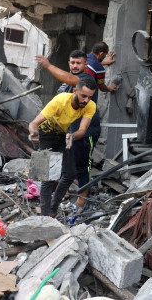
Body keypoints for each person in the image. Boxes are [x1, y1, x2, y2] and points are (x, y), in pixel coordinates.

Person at [35, 44, 117, 211]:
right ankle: (49, 208)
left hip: (84, 129)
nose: (75, 66)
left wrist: (48, 65)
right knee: (57, 168)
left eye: (78, 63)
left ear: (85, 65)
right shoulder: (70, 85)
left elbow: (70, 78)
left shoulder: (84, 80)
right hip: (65, 130)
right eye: (72, 63)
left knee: (82, 163)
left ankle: (81, 200)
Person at [28, 76, 97, 217]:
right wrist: (33, 133)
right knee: (48, 177)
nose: (86, 100)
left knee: (70, 174)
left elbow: (82, 130)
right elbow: (34, 123)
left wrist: (73, 136)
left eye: (90, 97)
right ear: (75, 91)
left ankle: (53, 210)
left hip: (63, 135)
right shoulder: (60, 100)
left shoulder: (90, 106)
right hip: (46, 134)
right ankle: (45, 217)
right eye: (83, 96)